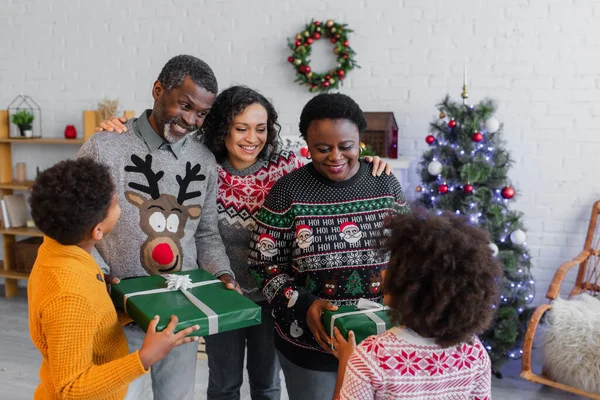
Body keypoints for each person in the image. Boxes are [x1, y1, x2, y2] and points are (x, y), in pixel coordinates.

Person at [97, 86, 391, 400]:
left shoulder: (285, 167)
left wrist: (366, 162)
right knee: (224, 384)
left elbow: (331, 168)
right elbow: (164, 146)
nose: (252, 138)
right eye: (241, 128)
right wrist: (121, 127)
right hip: (221, 292)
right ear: (223, 127)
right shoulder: (202, 164)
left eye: (261, 129)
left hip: (275, 298)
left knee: (267, 383)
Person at [78, 54, 236, 400]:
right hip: (117, 318)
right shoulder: (105, 146)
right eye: (185, 105)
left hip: (180, 317)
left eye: (202, 113)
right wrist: (101, 274)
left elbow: (207, 233)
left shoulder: (204, 160)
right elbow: (80, 227)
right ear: (157, 90)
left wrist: (222, 273)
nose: (192, 119)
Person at [247, 93, 411, 400]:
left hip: (382, 340)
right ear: (307, 145)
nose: (335, 156)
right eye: (322, 149)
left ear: (360, 141)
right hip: (310, 345)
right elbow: (262, 265)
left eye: (345, 146)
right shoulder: (287, 191)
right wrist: (304, 304)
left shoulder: (384, 183)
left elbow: (411, 252)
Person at [27, 158, 200, 400]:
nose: (120, 206)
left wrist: (133, 305)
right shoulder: (69, 295)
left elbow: (91, 324)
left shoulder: (58, 249)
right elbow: (69, 389)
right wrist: (145, 357)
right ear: (97, 231)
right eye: (117, 202)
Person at [331, 210, 502, 400]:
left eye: (393, 266)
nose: (382, 275)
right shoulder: (474, 352)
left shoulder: (372, 357)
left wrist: (346, 361)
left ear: (412, 287)